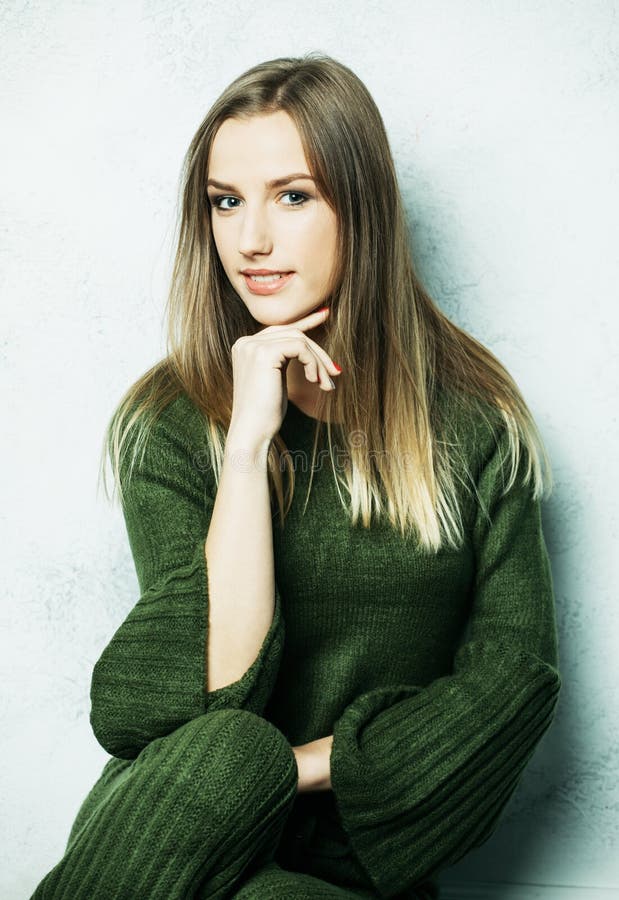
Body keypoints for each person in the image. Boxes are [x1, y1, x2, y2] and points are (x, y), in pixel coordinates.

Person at [30, 52, 562, 900]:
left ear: (362, 208)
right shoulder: (170, 421)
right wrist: (245, 449)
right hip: (171, 835)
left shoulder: (473, 420)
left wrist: (306, 766)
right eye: (225, 202)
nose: (251, 240)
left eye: (293, 195)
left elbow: (511, 683)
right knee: (225, 752)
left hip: (348, 858)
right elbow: (205, 705)